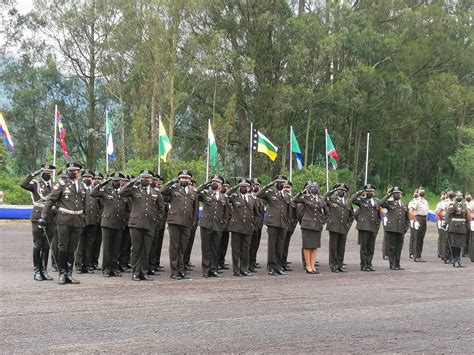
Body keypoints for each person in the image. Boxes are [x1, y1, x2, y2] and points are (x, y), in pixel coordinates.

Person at [39, 162, 85, 285]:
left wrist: (84, 217)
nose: (71, 172)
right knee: (63, 247)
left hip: (77, 221)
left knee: (72, 248)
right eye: (69, 170)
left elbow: (84, 203)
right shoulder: (61, 184)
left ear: (78, 172)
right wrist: (43, 216)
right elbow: (50, 200)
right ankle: (62, 273)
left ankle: (69, 274)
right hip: (64, 220)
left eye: (74, 170)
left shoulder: (82, 186)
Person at [119, 170, 165, 281]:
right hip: (136, 224)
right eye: (143, 177)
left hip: (149, 224)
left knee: (146, 250)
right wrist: (133, 181)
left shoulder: (155, 192)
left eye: (148, 178)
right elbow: (121, 192)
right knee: (136, 249)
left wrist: (156, 221)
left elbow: (161, 209)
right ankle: (135, 273)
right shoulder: (135, 190)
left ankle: (143, 273)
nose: (145, 180)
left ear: (151, 180)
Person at [20, 163, 56, 281]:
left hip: (51, 217)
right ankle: (37, 271)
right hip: (38, 216)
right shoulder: (36, 184)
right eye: (45, 172)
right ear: (41, 173)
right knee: (38, 244)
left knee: (47, 245)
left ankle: (44, 270)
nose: (48, 174)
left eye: (50, 172)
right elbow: (23, 184)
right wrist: (33, 174)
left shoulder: (55, 186)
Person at [160, 170, 199, 280]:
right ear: (179, 179)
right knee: (174, 248)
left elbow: (195, 209)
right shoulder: (173, 189)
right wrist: (172, 181)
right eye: (182, 178)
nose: (184, 180)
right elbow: (162, 190)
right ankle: (174, 271)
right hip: (174, 222)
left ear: (190, 180)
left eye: (186, 178)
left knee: (183, 248)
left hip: (187, 223)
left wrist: (194, 222)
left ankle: (181, 270)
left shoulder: (193, 192)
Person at [91, 173, 128, 277]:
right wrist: (103, 183)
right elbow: (93, 193)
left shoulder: (123, 192)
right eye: (114, 180)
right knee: (107, 247)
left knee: (116, 247)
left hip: (119, 222)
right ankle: (106, 268)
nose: (116, 182)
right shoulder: (106, 191)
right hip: (107, 222)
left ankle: (114, 268)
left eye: (118, 180)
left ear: (121, 181)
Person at [256, 175, 291, 276]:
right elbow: (259, 194)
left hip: (283, 223)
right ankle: (271, 267)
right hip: (272, 223)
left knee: (280, 246)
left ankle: (278, 267)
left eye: (282, 182)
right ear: (276, 184)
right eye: (278, 182)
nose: (280, 184)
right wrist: (269, 184)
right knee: (272, 246)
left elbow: (288, 210)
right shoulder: (270, 193)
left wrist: (288, 221)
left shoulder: (287, 195)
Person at [197, 175, 229, 278]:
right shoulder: (206, 194)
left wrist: (223, 224)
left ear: (221, 185)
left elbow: (226, 213)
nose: (214, 183)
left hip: (217, 225)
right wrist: (205, 185)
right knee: (206, 248)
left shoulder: (224, 197)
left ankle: (213, 269)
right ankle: (206, 270)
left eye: (217, 182)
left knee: (215, 249)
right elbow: (196, 193)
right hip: (206, 225)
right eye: (213, 182)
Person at [293, 181, 327, 274]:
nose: (314, 189)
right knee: (307, 246)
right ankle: (308, 266)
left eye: (316, 187)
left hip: (317, 225)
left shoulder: (321, 199)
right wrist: (303, 191)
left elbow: (326, 212)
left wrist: (323, 221)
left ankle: (313, 266)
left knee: (314, 246)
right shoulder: (305, 198)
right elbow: (295, 199)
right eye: (312, 187)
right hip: (307, 225)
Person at [228, 179, 259, 276]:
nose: (243, 187)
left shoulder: (253, 199)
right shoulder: (234, 197)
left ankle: (244, 269)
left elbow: (256, 214)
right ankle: (236, 270)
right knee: (236, 250)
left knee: (245, 250)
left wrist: (253, 225)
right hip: (236, 227)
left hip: (248, 228)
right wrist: (235, 187)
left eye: (245, 186)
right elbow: (226, 195)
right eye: (241, 186)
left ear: (249, 187)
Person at [324, 183, 354, 273]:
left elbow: (351, 215)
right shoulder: (332, 199)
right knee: (333, 247)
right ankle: (333, 265)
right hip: (334, 226)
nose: (341, 191)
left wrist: (348, 226)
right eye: (339, 190)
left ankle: (340, 265)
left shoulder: (348, 201)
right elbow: (323, 198)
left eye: (343, 190)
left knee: (341, 247)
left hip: (344, 227)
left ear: (346, 192)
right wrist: (332, 191)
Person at [351, 184, 382, 271]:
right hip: (364, 227)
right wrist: (361, 191)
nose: (369, 193)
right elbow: (352, 199)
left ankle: (369, 263)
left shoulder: (376, 201)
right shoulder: (361, 201)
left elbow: (379, 212)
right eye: (368, 191)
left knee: (371, 247)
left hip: (373, 227)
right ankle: (363, 265)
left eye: (371, 191)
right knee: (364, 247)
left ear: (374, 192)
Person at [75, 169, 100, 274]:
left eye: (89, 177)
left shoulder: (96, 190)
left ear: (92, 179)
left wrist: (98, 217)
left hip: (93, 221)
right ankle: (79, 265)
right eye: (85, 177)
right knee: (80, 243)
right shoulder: (79, 189)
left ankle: (88, 264)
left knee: (90, 243)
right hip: (82, 220)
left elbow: (100, 205)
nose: (87, 179)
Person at [380, 186, 410, 270]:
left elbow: (407, 218)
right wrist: (389, 195)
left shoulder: (404, 204)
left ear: (401, 194)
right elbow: (381, 203)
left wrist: (405, 228)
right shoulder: (390, 203)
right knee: (392, 247)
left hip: (400, 229)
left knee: (399, 247)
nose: (397, 194)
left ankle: (397, 264)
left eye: (398, 193)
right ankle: (392, 264)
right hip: (391, 228)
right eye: (395, 193)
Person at [445, 191, 469, 268]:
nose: (460, 197)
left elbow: (466, 217)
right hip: (454, 228)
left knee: (460, 245)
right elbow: (448, 215)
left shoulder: (464, 205)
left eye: (461, 196)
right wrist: (446, 224)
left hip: (462, 228)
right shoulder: (453, 205)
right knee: (454, 245)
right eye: (458, 196)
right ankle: (455, 260)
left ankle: (458, 260)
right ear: (455, 197)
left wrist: (467, 225)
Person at [409, 187, 429, 262]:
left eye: (423, 191)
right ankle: (416, 256)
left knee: (421, 238)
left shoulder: (426, 201)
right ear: (418, 193)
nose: (422, 192)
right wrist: (415, 220)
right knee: (417, 238)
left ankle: (419, 255)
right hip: (418, 218)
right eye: (421, 191)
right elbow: (411, 211)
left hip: (424, 219)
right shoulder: (416, 201)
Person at [249, 179, 264, 272]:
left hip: (259, 225)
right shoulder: (250, 197)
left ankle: (253, 261)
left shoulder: (260, 198)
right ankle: (248, 263)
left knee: (255, 245)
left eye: (257, 185)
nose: (256, 186)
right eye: (254, 185)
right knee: (250, 245)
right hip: (251, 224)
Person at [282, 181, 297, 271]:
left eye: (288, 187)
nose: (286, 189)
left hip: (290, 225)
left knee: (285, 245)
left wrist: (294, 224)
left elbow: (295, 213)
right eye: (285, 187)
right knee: (280, 245)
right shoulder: (280, 197)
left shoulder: (292, 199)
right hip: (282, 224)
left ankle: (284, 262)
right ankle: (278, 263)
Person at [407, 190, 419, 259]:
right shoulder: (412, 202)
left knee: (417, 237)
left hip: (417, 220)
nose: (416, 194)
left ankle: (415, 251)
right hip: (413, 220)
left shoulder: (420, 201)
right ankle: (411, 252)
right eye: (415, 192)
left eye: (417, 192)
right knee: (413, 237)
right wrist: (411, 220)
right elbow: (409, 211)